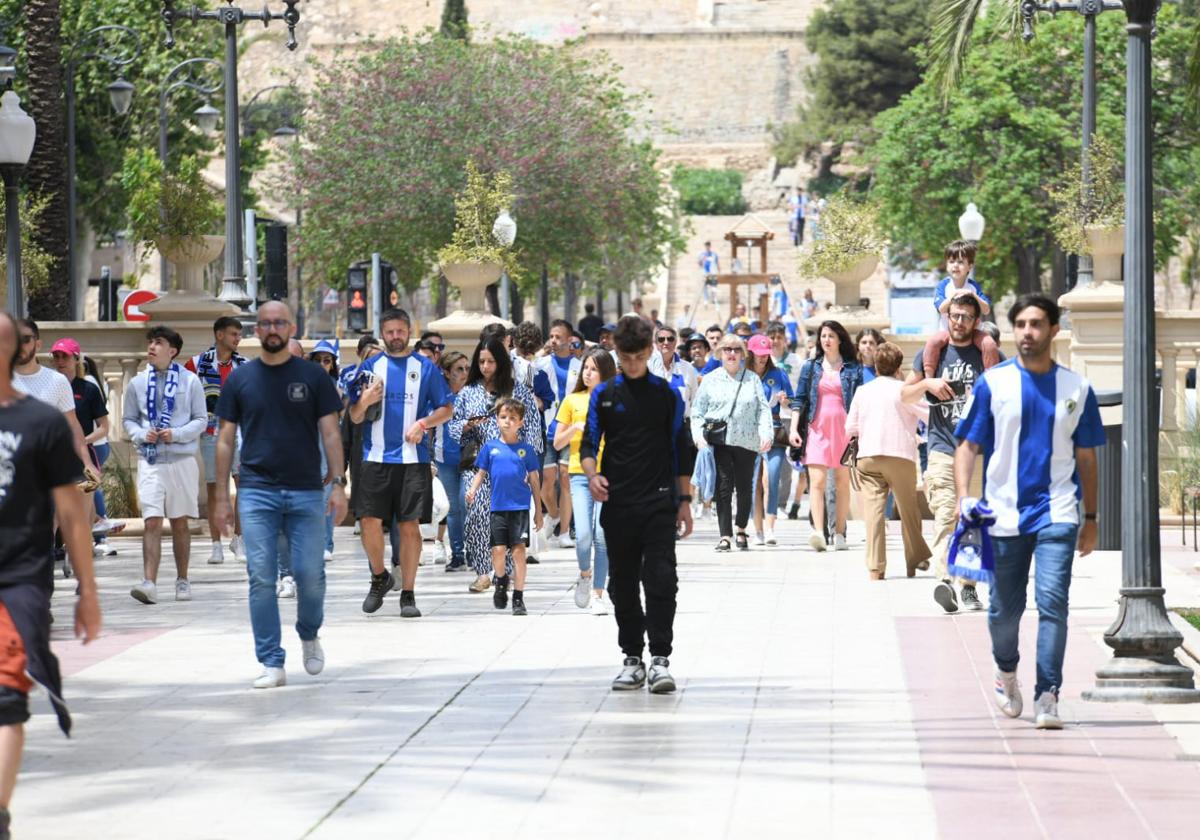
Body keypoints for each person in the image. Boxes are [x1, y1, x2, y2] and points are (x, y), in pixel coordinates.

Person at [954, 294, 1103, 730]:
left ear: (1054, 329)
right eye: (1020, 324)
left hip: (1058, 511)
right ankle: (1006, 672)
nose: (1027, 332)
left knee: (1053, 604)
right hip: (1001, 514)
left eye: (1036, 324)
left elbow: (1088, 459)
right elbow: (968, 444)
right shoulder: (993, 384)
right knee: (1003, 610)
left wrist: (1091, 519)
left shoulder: (1076, 389)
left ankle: (1048, 693)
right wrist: (966, 498)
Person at [0, 312, 100, 840]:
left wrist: (88, 591)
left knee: (7, 695)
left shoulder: (39, 421)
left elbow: (71, 517)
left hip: (19, 577)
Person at [213, 301, 347, 689]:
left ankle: (308, 632)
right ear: (258, 329)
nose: (272, 328)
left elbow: (331, 433)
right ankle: (271, 661)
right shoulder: (240, 379)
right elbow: (224, 440)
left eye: (280, 322)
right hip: (256, 491)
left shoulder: (312, 377)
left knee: (310, 575)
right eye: (266, 323)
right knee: (260, 578)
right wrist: (222, 496)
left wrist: (338, 484)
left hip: (307, 490)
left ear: (292, 327)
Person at [580, 315, 695, 693]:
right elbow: (588, 443)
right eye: (625, 357)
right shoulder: (605, 394)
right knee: (623, 584)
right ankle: (632, 657)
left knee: (661, 579)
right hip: (619, 503)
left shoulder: (666, 395)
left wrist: (684, 501)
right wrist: (592, 474)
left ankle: (660, 658)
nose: (631, 364)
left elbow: (680, 448)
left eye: (638, 357)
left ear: (649, 352)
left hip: (660, 502)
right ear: (618, 352)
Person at [348, 308, 453, 619]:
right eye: (389, 331)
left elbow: (447, 408)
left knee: (409, 526)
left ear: (409, 331)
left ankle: (408, 593)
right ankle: (380, 577)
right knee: (368, 523)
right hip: (374, 458)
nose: (395, 336)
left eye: (400, 331)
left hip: (413, 460)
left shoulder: (425, 368)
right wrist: (365, 400)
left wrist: (423, 423)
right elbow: (354, 416)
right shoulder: (369, 368)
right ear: (383, 333)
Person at [903, 292, 1001, 613]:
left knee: (972, 518)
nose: (958, 322)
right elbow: (904, 394)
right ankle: (944, 579)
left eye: (965, 317)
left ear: (975, 322)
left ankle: (969, 586)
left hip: (976, 450)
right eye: (954, 316)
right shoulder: (934, 352)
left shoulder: (985, 351)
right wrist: (927, 385)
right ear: (948, 317)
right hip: (943, 447)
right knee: (946, 512)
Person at [122, 326, 207, 604]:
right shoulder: (137, 382)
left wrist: (177, 433)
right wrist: (138, 433)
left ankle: (183, 579)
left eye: (158, 343)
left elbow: (200, 420)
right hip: (151, 459)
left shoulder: (190, 381)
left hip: (182, 459)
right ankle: (149, 583)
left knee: (180, 522)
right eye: (150, 342)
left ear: (173, 351)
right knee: (152, 521)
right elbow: (129, 420)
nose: (151, 347)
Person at [451, 337, 542, 593]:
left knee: (511, 518)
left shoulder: (518, 391)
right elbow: (453, 426)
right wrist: (468, 425)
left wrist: (528, 464)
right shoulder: (468, 392)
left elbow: (533, 428)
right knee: (477, 516)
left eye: (491, 361)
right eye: (481, 361)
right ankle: (483, 572)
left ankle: (509, 572)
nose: (485, 366)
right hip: (478, 463)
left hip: (512, 466)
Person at [844, 342, 931, 580]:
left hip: (868, 457)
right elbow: (929, 415)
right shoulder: (904, 390)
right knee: (908, 510)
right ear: (898, 366)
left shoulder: (863, 391)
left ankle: (875, 568)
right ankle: (915, 560)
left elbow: (849, 427)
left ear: (876, 366)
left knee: (873, 514)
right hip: (900, 456)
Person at [691, 335, 772, 552]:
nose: (732, 353)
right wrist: (698, 436)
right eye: (727, 349)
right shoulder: (710, 379)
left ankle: (741, 529)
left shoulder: (752, 379)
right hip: (720, 441)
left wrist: (766, 433)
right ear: (720, 353)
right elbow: (697, 411)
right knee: (724, 487)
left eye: (736, 349)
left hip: (747, 441)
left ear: (743, 354)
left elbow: (763, 409)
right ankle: (725, 535)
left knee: (745, 487)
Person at [788, 320, 863, 552]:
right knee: (817, 483)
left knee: (841, 484)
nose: (826, 340)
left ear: (840, 339)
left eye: (831, 336)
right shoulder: (811, 367)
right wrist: (793, 429)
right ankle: (819, 532)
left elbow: (860, 401)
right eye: (823, 336)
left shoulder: (853, 368)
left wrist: (859, 432)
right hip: (816, 429)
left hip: (844, 429)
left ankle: (839, 533)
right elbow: (799, 399)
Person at [465, 398, 543, 616]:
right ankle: (500, 581)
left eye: (512, 418)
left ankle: (518, 597)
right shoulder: (490, 448)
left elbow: (535, 480)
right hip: (497, 508)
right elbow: (480, 473)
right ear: (497, 420)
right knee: (498, 551)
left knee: (518, 552)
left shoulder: (526, 450)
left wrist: (538, 510)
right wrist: (472, 490)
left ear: (521, 422)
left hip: (519, 509)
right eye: (503, 417)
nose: (507, 422)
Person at [554, 348, 616, 614]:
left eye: (594, 368)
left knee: (602, 536)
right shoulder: (572, 401)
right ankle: (585, 574)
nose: (588, 373)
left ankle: (598, 594)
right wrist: (574, 428)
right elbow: (557, 442)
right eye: (586, 368)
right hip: (580, 475)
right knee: (583, 537)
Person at [186, 316, 249, 565]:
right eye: (234, 334)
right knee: (214, 487)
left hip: (241, 432)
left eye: (239, 334)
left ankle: (239, 539)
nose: (238, 339)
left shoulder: (245, 365)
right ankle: (215, 544)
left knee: (242, 484)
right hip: (211, 432)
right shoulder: (196, 364)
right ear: (219, 335)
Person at [535, 320, 580, 547]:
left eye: (558, 336)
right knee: (546, 482)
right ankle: (554, 514)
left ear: (570, 339)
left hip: (570, 429)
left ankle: (564, 532)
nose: (554, 340)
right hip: (547, 428)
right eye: (551, 336)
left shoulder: (579, 366)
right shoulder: (541, 363)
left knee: (565, 479)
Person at [745, 334, 793, 545]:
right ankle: (758, 530)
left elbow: (792, 402)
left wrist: (785, 401)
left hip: (774, 430)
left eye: (766, 354)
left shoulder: (779, 374)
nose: (763, 358)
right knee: (754, 482)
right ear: (751, 353)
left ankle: (770, 528)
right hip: (749, 432)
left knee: (771, 479)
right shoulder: (743, 375)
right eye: (759, 354)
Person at [432, 351, 470, 571]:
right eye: (459, 369)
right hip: (444, 459)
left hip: (470, 459)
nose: (464, 373)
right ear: (446, 372)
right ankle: (457, 555)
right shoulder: (437, 397)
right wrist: (429, 459)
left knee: (468, 505)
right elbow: (427, 428)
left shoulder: (475, 394)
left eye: (466, 368)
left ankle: (474, 551)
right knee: (453, 509)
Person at [308, 339, 341, 563]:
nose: (322, 364)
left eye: (327, 360)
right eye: (318, 360)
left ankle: (326, 543)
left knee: (327, 494)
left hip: (327, 443)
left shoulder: (335, 386)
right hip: (306, 444)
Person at [649, 326, 700, 416]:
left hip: (682, 424)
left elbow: (695, 400)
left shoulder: (688, 368)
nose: (666, 342)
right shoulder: (648, 367)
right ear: (656, 344)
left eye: (670, 339)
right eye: (661, 339)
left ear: (676, 342)